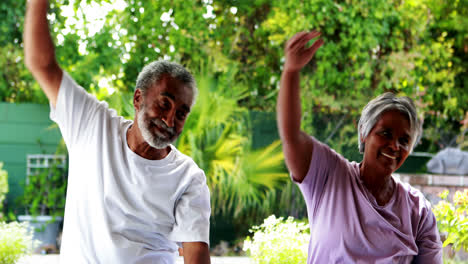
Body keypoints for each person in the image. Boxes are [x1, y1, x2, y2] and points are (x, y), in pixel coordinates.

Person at [24, 1, 211, 263]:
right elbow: (42, 64)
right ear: (138, 99)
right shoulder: (92, 124)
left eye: (181, 113)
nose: (170, 120)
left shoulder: (188, 177)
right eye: (164, 104)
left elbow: (197, 253)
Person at [277, 31, 442, 263]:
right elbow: (291, 135)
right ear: (364, 133)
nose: (394, 145)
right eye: (385, 133)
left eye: (404, 140)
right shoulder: (329, 175)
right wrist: (291, 72)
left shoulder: (418, 210)